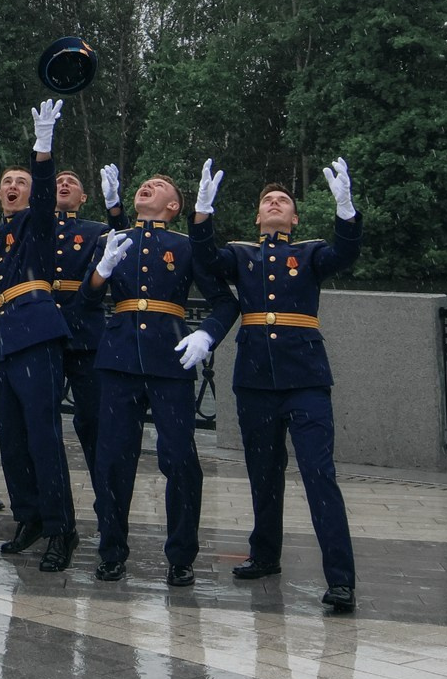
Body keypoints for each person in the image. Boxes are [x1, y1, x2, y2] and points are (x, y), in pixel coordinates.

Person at [184, 159, 363, 613]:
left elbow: (345, 254)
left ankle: (340, 579)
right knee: (263, 476)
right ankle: (265, 555)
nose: (276, 204)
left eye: (284, 201)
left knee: (319, 476)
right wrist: (202, 214)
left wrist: (347, 212)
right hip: (256, 380)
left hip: (305, 380)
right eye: (268, 201)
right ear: (258, 217)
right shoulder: (241, 254)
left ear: (295, 217)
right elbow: (205, 260)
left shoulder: (311, 252)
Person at [87, 170, 235, 586]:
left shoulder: (185, 246)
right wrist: (100, 270)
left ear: (173, 207)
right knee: (113, 461)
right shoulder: (111, 241)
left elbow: (225, 302)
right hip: (117, 359)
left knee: (180, 460)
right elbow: (86, 299)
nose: (146, 186)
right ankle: (112, 550)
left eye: (160, 186)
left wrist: (207, 334)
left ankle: (181, 555)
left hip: (170, 361)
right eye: (144, 183)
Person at [0, 101, 81, 572]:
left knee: (43, 436)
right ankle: (30, 517)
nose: (14, 188)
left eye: (20, 181)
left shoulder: (36, 227)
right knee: (12, 436)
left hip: (37, 332)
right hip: (5, 337)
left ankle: (62, 528)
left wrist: (43, 148)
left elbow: (45, 197)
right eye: (7, 184)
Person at [49, 163, 119, 493]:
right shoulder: (34, 227)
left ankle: (106, 499)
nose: (63, 184)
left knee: (94, 422)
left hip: (85, 332)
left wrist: (115, 206)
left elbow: (121, 248)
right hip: (44, 331)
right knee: (42, 423)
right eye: (58, 181)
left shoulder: (97, 230)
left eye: (71, 182)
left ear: (84, 196)